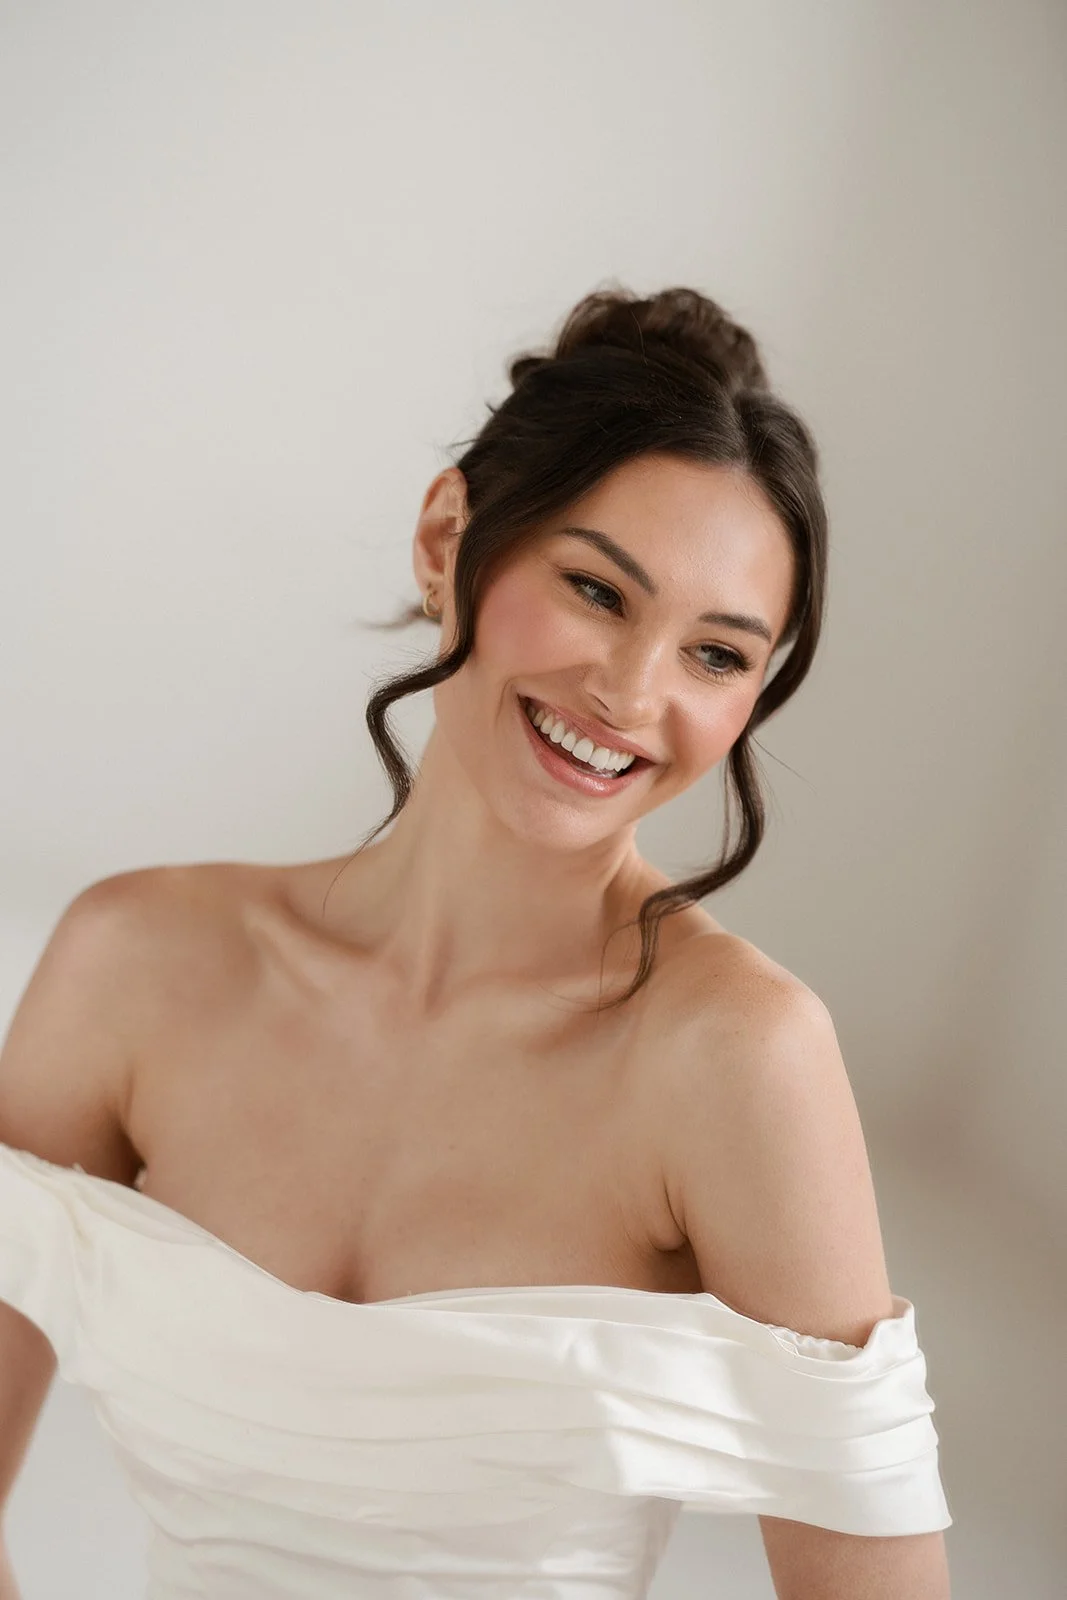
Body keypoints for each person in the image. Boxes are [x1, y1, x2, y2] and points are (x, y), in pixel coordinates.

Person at [0, 285, 952, 1598]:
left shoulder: (736, 1059)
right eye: (592, 590)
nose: (630, 696)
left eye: (716, 656)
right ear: (448, 536)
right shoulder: (130, 966)